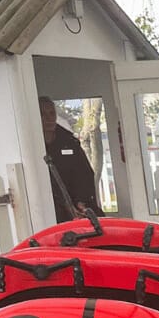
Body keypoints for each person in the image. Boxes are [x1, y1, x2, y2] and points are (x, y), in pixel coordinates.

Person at [39, 96, 99, 224]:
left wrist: (80, 202)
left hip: (76, 209)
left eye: (51, 113)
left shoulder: (69, 142)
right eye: (43, 114)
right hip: (47, 211)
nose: (49, 118)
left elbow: (85, 175)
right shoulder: (31, 146)